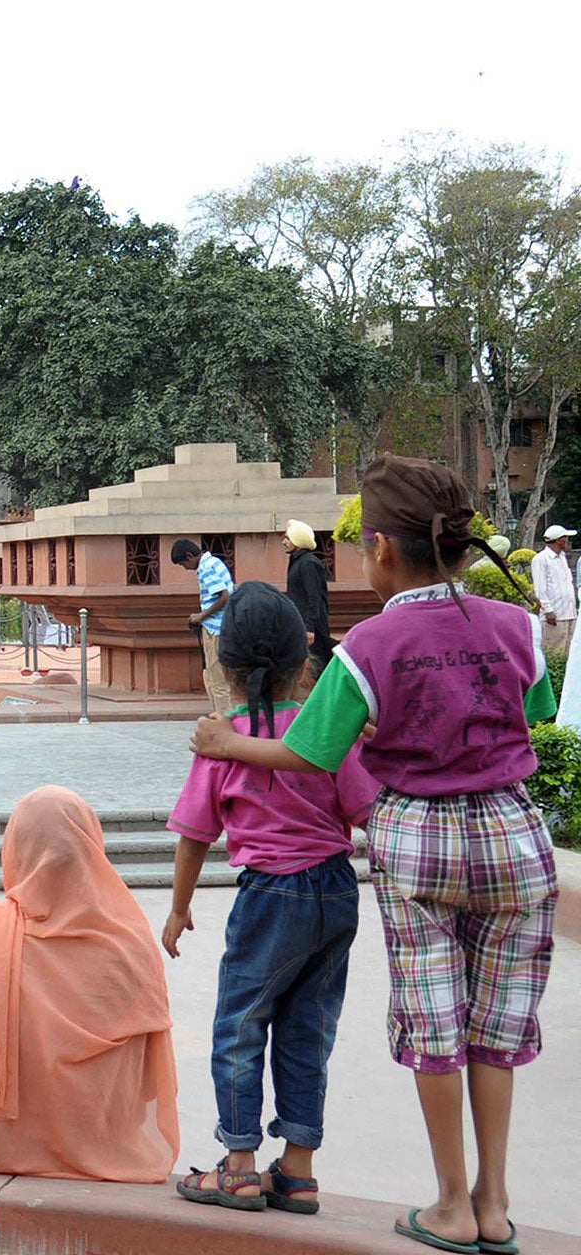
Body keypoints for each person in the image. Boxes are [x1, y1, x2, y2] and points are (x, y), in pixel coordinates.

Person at [189, 454, 557, 1253]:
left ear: (384, 549)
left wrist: (225, 741)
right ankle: (495, 1204)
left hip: (421, 840)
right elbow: (535, 713)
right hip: (516, 836)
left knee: (437, 1023)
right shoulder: (519, 625)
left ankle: (451, 1202)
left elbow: (312, 753)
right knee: (498, 1025)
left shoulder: (371, 643)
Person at [166, 582, 377, 1215]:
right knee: (308, 1027)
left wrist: (179, 907)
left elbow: (196, 832)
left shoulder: (221, 738)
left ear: (223, 666)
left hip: (270, 897)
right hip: (336, 892)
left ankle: (237, 1165)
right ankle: (299, 1170)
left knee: (240, 1022)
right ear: (304, 659)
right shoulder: (328, 731)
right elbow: (366, 808)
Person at [0, 785, 181, 1181]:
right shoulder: (133, 941)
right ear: (92, 845)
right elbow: (143, 1080)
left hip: (1, 1148)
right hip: (105, 1143)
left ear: (16, 846)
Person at [173, 539, 237, 714]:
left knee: (217, 680)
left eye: (183, 563)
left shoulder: (206, 568)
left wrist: (201, 616)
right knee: (211, 676)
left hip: (216, 629)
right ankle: (222, 717)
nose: (185, 568)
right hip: (221, 626)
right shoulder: (214, 561)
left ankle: (224, 721)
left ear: (189, 556)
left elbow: (225, 596)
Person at [282, 520, 335, 680]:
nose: (284, 542)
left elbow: (314, 597)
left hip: (312, 628)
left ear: (297, 540)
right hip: (301, 624)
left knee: (318, 670)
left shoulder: (308, 563)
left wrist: (310, 627)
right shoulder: (298, 562)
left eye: (287, 538)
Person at [531, 524, 575, 658]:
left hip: (570, 613)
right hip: (555, 615)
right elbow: (540, 588)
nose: (567, 540)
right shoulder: (540, 559)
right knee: (554, 652)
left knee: (569, 653)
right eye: (565, 537)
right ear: (558, 540)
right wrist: (549, 611)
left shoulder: (562, 557)